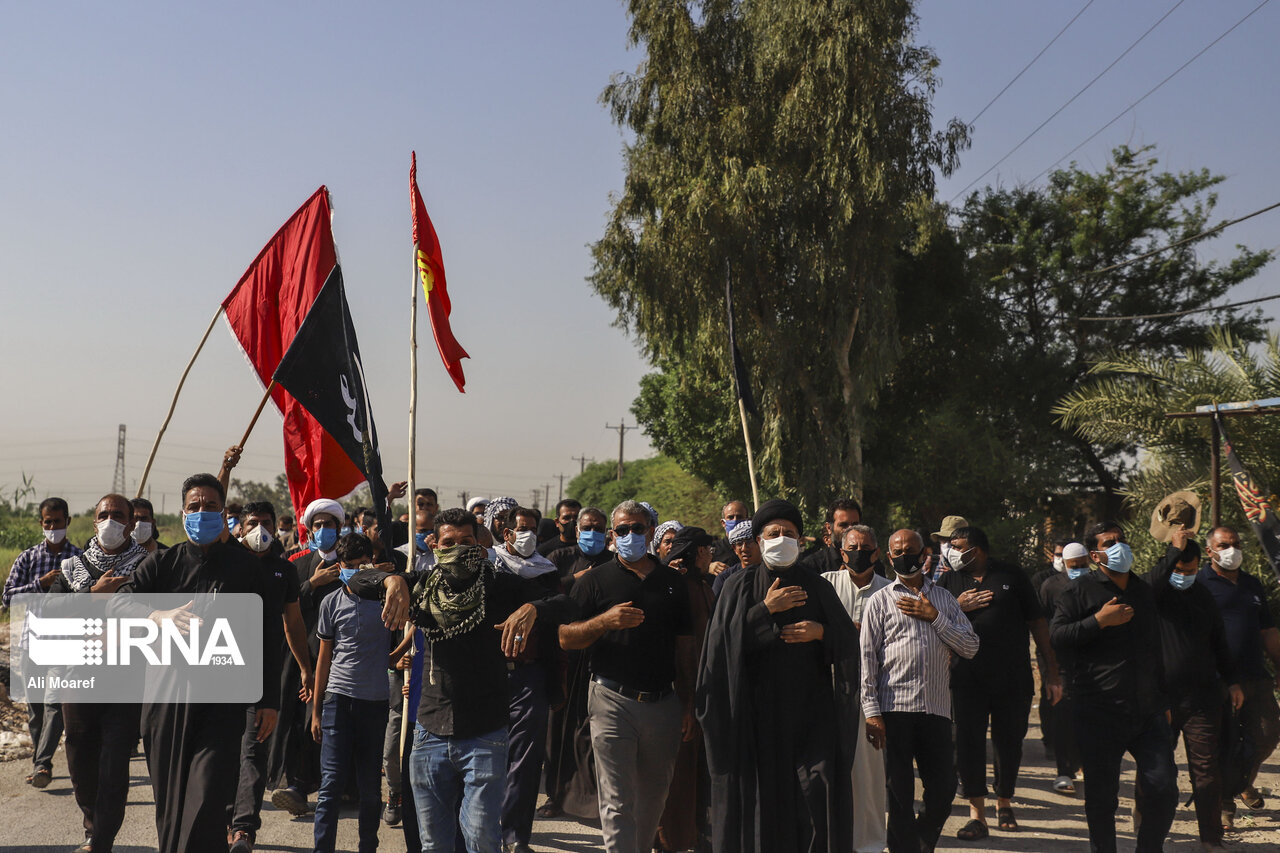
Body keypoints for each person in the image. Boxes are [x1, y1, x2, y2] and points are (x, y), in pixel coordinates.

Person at [356, 506, 575, 853]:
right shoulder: (424, 586)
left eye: (467, 541)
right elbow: (356, 580)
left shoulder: (501, 586)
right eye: (449, 542)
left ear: (481, 545)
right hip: (430, 730)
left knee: (481, 839)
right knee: (433, 844)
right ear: (436, 548)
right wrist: (392, 579)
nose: (459, 548)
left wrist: (535, 609)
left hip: (485, 732)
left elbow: (566, 602)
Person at [110, 473, 285, 853]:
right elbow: (119, 602)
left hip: (221, 704)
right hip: (165, 702)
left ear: (224, 514)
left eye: (210, 506)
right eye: (194, 507)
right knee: (171, 809)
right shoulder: (162, 564)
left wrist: (268, 699)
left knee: (207, 798)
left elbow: (268, 637)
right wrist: (157, 616)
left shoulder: (246, 569)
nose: (201, 512)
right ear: (182, 512)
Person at [697, 498, 861, 853]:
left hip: (809, 717)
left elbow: (847, 642)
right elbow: (720, 649)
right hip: (754, 719)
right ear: (758, 540)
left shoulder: (818, 587)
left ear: (801, 541)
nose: (782, 539)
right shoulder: (736, 586)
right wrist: (765, 612)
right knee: (759, 805)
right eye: (774, 533)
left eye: (789, 533)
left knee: (815, 798)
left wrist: (821, 633)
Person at [560, 500, 696, 853]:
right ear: (612, 536)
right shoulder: (594, 581)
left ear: (651, 532)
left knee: (653, 798)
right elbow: (565, 636)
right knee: (618, 800)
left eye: (638, 529)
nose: (630, 535)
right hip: (610, 700)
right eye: (623, 530)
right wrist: (605, 621)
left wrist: (687, 703)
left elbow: (685, 647)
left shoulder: (672, 583)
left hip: (662, 703)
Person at [1050, 522, 1177, 853]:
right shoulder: (1078, 593)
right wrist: (1098, 621)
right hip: (1099, 710)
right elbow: (1058, 637)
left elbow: (1154, 648)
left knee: (1163, 786)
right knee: (1102, 798)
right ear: (1095, 554)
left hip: (1147, 712)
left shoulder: (1143, 590)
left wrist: (1164, 700)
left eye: (1122, 540)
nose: (1120, 546)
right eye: (1110, 542)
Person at [860, 529, 979, 853]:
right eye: (897, 551)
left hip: (935, 709)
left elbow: (970, 646)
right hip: (893, 709)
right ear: (888, 557)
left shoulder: (943, 600)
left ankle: (921, 843)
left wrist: (935, 618)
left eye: (911, 550)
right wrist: (871, 713)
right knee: (898, 795)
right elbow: (867, 659)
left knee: (943, 790)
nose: (904, 556)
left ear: (925, 554)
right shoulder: (880, 601)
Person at [938, 525, 1060, 839]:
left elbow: (1037, 623)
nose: (951, 550)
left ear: (975, 548)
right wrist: (957, 606)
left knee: (1009, 743)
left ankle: (1004, 800)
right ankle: (977, 814)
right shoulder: (948, 580)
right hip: (965, 679)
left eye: (957, 545)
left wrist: (1052, 672)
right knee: (968, 744)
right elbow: (931, 621)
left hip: (1012, 679)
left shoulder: (1012, 574)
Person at [50, 493, 146, 853]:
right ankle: (91, 818)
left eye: (118, 515)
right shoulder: (72, 567)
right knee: (79, 751)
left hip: (126, 676)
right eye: (104, 514)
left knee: (115, 757)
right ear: (94, 522)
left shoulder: (145, 565)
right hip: (78, 673)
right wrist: (93, 595)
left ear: (131, 523)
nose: (111, 521)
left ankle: (100, 836)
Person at [228, 500, 315, 853]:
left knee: (253, 750)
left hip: (263, 674)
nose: (259, 530)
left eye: (265, 522)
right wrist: (227, 470)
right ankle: (222, 816)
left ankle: (244, 828)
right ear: (239, 528)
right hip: (218, 670)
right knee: (221, 752)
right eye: (252, 523)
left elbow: (292, 623)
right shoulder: (226, 562)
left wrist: (306, 668)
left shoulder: (284, 570)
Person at [1147, 530, 1243, 850]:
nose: (1184, 576)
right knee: (1158, 771)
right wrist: (1173, 553)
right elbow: (1149, 583)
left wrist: (1232, 680)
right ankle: (1150, 835)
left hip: (1202, 697)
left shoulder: (1203, 597)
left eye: (1191, 571)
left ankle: (1210, 839)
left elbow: (1219, 642)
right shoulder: (1156, 594)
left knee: (1206, 772)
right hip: (1161, 699)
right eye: (1179, 570)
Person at [310, 533, 393, 853]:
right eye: (350, 566)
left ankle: (367, 847)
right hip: (338, 702)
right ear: (339, 566)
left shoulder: (386, 600)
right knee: (330, 787)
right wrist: (316, 711)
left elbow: (408, 635)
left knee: (371, 790)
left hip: (375, 702)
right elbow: (323, 661)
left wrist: (396, 656)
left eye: (363, 565)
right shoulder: (331, 603)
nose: (357, 571)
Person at [491, 506, 565, 853]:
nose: (528, 535)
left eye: (533, 528)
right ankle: (483, 827)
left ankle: (515, 834)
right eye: (521, 528)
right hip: (487, 675)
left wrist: (537, 608)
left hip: (530, 675)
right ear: (506, 532)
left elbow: (565, 605)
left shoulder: (546, 571)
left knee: (525, 758)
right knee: (487, 755)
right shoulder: (488, 567)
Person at [269, 498, 348, 818]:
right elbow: (283, 606)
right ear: (309, 529)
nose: (323, 530)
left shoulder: (351, 561)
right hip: (301, 655)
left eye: (330, 525)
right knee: (299, 720)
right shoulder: (296, 562)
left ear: (339, 529)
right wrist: (312, 583)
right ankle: (296, 784)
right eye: (318, 525)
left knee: (333, 721)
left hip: (341, 656)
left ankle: (341, 785)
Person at [1198, 524, 1280, 821]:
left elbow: (1268, 630)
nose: (1231, 550)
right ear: (1209, 551)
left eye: (1235, 544)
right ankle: (1224, 804)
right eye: (1223, 545)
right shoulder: (1199, 584)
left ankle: (1240, 782)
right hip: (1218, 680)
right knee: (1223, 741)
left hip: (1256, 676)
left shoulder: (1252, 584)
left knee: (1266, 735)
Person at [4, 496, 81, 789]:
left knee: (53, 703)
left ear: (67, 522)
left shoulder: (79, 558)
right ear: (41, 523)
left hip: (64, 642)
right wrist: (40, 584)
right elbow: (7, 598)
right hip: (31, 642)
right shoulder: (28, 558)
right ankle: (40, 759)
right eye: (47, 522)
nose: (52, 527)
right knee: (36, 707)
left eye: (57, 522)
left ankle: (42, 762)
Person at [821, 524, 890, 853]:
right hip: (827, 691)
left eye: (865, 547)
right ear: (841, 551)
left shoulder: (891, 591)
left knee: (867, 775)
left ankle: (869, 844)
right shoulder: (826, 585)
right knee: (826, 771)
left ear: (876, 553)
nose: (858, 553)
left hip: (871, 696)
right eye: (852, 547)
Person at [541, 506, 613, 821]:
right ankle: (556, 796)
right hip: (564, 655)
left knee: (594, 730)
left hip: (600, 656)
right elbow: (546, 591)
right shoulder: (560, 557)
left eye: (599, 528)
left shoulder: (613, 562)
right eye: (587, 527)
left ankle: (593, 799)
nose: (592, 533)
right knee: (558, 730)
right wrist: (575, 579)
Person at [656, 526, 716, 852]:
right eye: (708, 550)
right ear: (698, 552)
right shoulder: (683, 589)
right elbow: (686, 652)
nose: (711, 556)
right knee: (677, 778)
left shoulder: (701, 586)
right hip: (682, 697)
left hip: (701, 695)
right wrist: (688, 705)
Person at [1039, 541, 1088, 794]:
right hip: (1060, 662)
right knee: (1063, 716)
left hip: (1090, 663)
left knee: (1088, 718)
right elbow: (1043, 627)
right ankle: (1063, 770)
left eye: (1083, 565)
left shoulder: (1095, 584)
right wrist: (1049, 669)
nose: (1078, 570)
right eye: (1073, 566)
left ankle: (1083, 765)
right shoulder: (1051, 587)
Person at [1032, 538, 1072, 759]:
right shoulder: (1042, 580)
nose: (1061, 560)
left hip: (1069, 644)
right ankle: (1051, 739)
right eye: (1058, 555)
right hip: (1047, 642)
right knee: (1050, 692)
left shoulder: (1077, 579)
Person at [798, 497, 862, 573]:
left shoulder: (869, 562)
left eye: (855, 525)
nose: (850, 530)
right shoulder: (812, 565)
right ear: (829, 528)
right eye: (843, 525)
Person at [711, 520, 757, 597]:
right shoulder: (725, 578)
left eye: (749, 542)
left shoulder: (771, 573)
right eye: (739, 544)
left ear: (759, 543)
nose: (744, 548)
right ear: (734, 549)